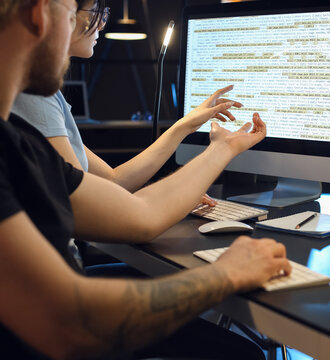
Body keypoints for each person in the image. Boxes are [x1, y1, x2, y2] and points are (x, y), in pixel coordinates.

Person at [0, 1, 291, 359]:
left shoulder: (19, 145)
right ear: (40, 13)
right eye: (74, 9)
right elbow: (69, 322)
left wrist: (219, 147)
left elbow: (134, 206)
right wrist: (225, 275)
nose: (85, 23)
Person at [11, 0, 240, 198]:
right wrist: (221, 149)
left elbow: (113, 180)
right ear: (41, 13)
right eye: (94, 13)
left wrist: (185, 124)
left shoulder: (48, 96)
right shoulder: (35, 97)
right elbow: (89, 204)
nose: (101, 23)